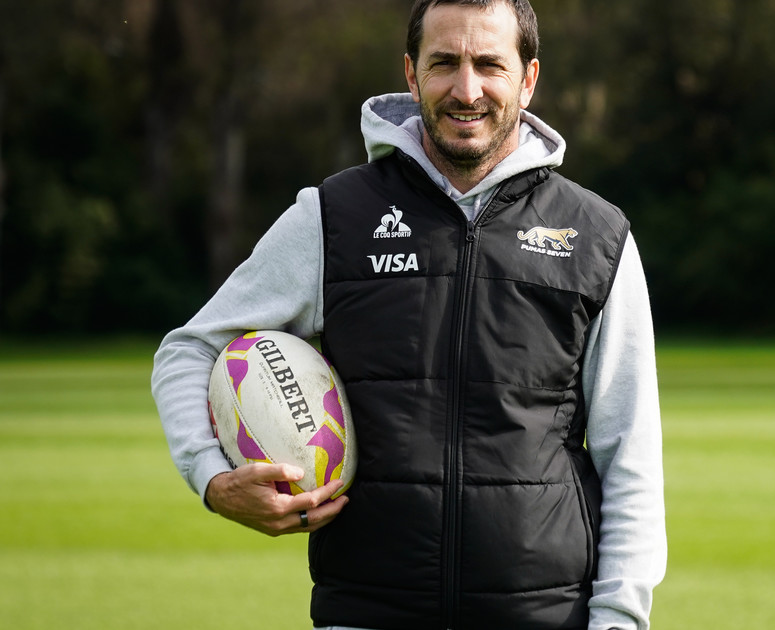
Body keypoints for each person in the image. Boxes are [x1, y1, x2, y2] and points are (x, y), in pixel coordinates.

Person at [150, 0, 666, 628]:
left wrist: (618, 619)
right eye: (444, 63)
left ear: (529, 78)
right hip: (367, 612)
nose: (466, 90)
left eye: (489, 65)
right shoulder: (333, 217)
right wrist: (211, 478)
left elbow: (629, 453)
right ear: (411, 74)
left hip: (545, 616)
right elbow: (191, 350)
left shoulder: (596, 235)